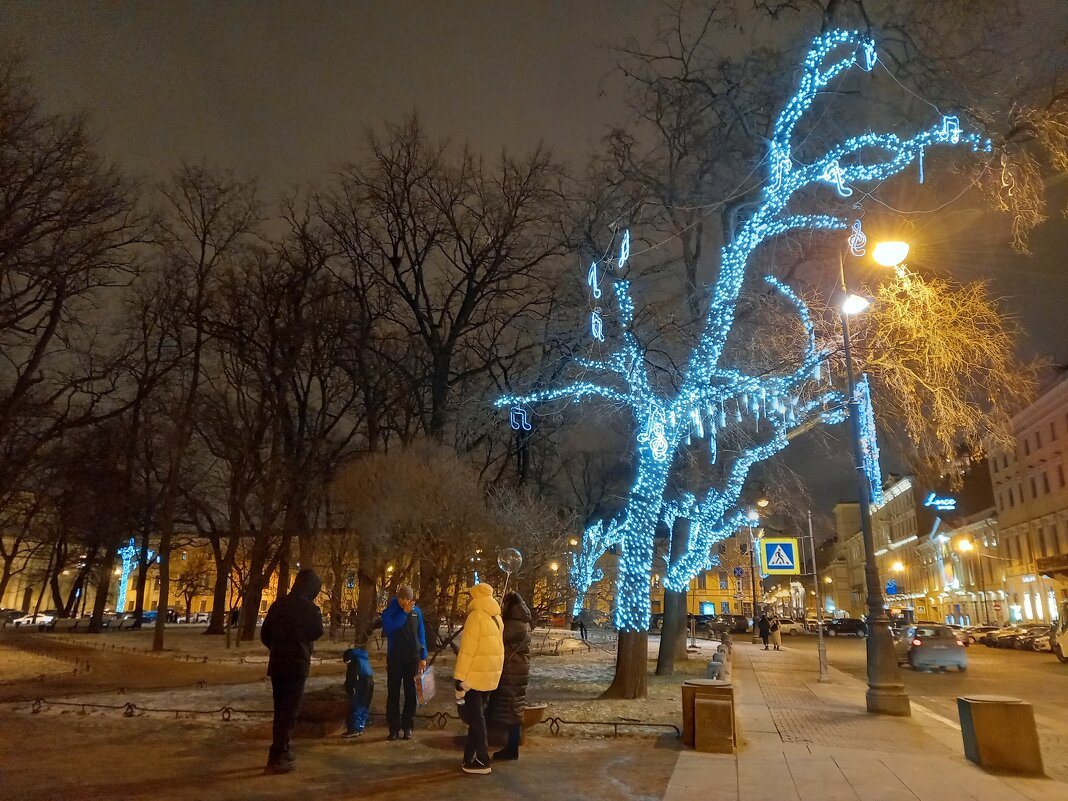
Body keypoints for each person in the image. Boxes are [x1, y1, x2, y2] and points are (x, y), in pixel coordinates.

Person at [260, 569, 324, 774]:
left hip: (278, 664)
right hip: (297, 665)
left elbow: (265, 634)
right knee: (289, 712)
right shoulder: (309, 609)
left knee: (280, 710)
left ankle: (282, 749)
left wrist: (278, 648)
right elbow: (316, 632)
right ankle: (277, 756)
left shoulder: (279, 604)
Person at [454, 583, 504, 775]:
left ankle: (483, 759)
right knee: (478, 717)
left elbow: (467, 651)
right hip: (489, 676)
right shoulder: (496, 617)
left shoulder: (476, 617)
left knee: (476, 719)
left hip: (474, 677)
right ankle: (469, 757)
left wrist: (460, 677)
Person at [488, 591, 532, 761]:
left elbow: (498, 637)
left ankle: (512, 749)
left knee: (513, 712)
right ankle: (511, 748)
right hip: (517, 671)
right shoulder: (521, 621)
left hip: (513, 673)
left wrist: (495, 619)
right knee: (513, 710)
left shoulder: (514, 624)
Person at [381, 585, 427, 741]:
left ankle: (407, 726)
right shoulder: (390, 611)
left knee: (410, 693)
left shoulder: (417, 612)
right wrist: (403, 613)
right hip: (395, 657)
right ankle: (393, 728)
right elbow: (390, 628)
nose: (405, 602)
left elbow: (421, 634)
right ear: (398, 597)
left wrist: (423, 656)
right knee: (393, 693)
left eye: (408, 599)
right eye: (403, 599)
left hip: (412, 658)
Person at [342, 637, 374, 737]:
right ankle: (360, 727)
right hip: (370, 682)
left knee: (357, 704)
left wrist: (349, 688)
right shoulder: (362, 657)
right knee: (365, 705)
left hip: (362, 682)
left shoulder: (353, 660)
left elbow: (351, 676)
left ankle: (353, 729)